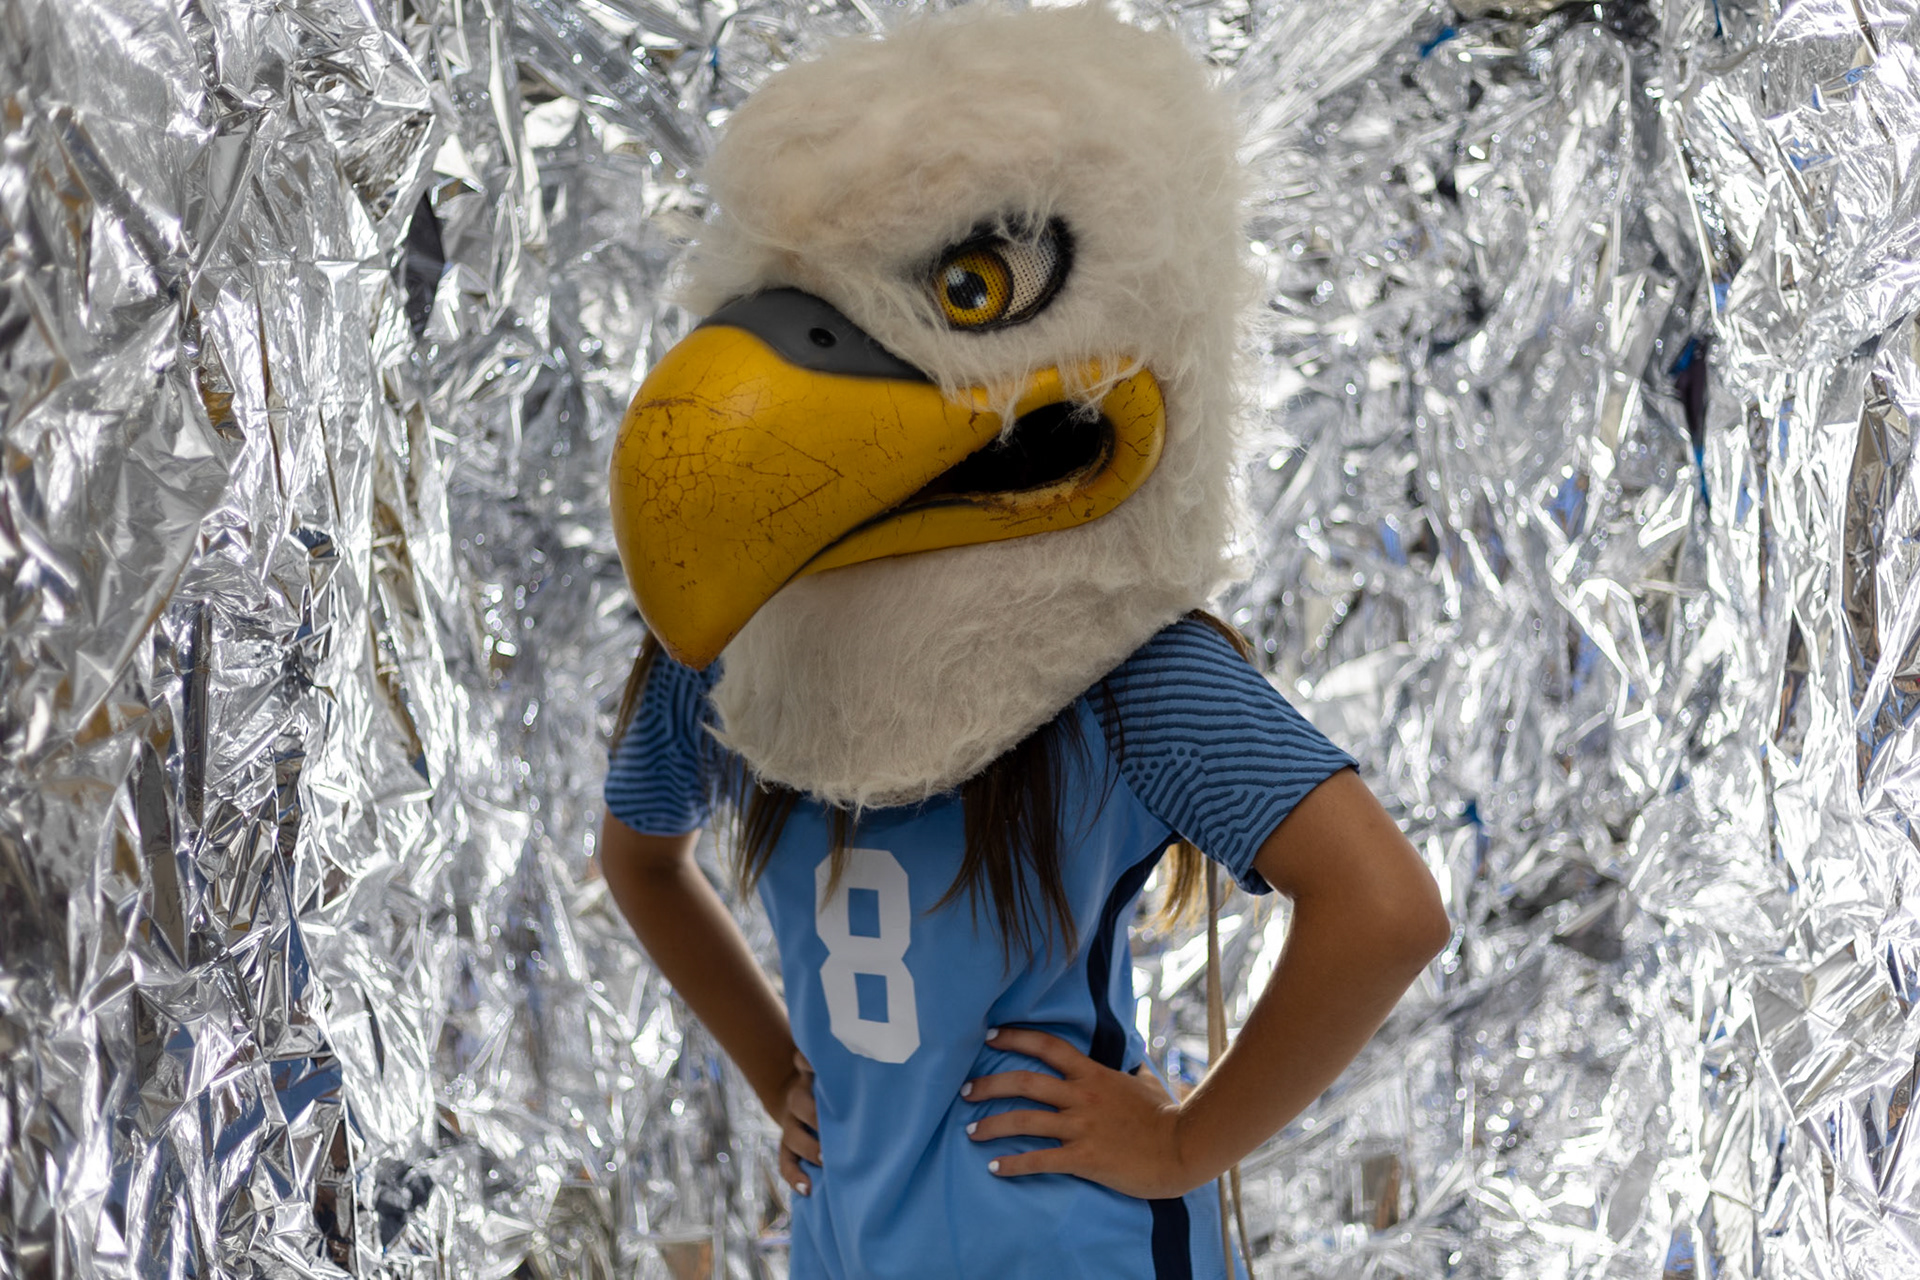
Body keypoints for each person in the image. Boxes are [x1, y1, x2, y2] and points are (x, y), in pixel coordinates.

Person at [596, 6, 1452, 1276]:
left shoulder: (1125, 675)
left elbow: (1386, 911)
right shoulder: (733, 659)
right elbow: (640, 864)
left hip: (1070, 1245)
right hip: (852, 1242)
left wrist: (1181, 1146)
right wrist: (778, 1063)